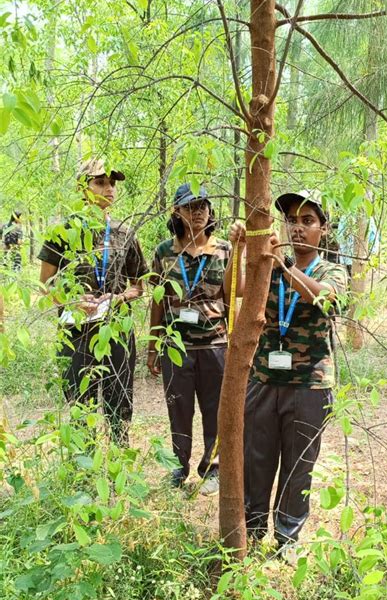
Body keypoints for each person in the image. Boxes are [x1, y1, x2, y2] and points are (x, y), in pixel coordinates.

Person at [242, 189, 348, 550]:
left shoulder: (332, 270)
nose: (299, 228)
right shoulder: (270, 265)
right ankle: (252, 531)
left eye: (308, 221)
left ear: (323, 228)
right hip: (264, 380)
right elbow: (234, 291)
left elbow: (322, 297)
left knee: (298, 464)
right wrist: (243, 252)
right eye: (292, 221)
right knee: (256, 457)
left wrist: (283, 266)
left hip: (309, 385)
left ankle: (286, 537)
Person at [38, 159, 148, 445]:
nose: (109, 188)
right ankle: (84, 475)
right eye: (100, 182)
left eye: (112, 183)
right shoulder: (62, 232)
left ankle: (119, 466)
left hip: (117, 331)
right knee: (80, 405)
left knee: (120, 402)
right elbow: (45, 283)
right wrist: (72, 300)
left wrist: (120, 297)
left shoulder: (125, 233)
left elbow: (139, 286)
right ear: (82, 188)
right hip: (76, 333)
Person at [147, 182, 244, 493]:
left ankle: (212, 466)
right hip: (176, 348)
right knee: (179, 407)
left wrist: (234, 344)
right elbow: (158, 301)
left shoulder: (224, 249)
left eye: (203, 205)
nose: (198, 212)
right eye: (190, 206)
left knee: (215, 408)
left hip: (215, 345)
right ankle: (179, 464)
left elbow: (233, 295)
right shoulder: (164, 252)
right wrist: (153, 346)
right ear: (177, 211)